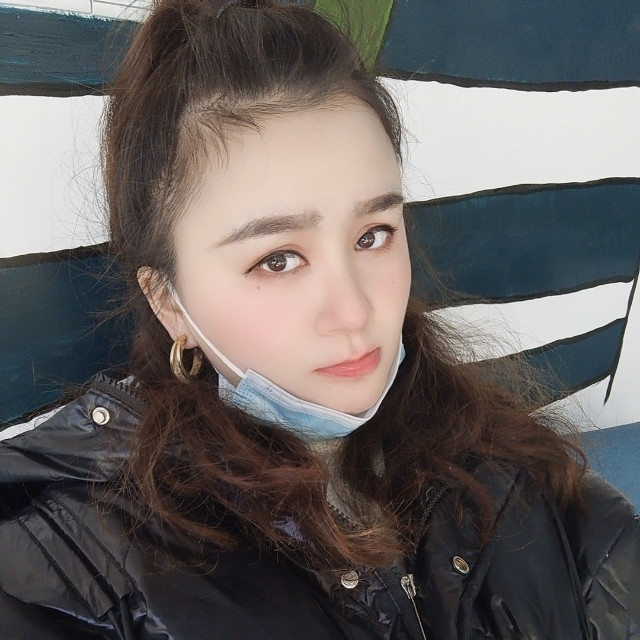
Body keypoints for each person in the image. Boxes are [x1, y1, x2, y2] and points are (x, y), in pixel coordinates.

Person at [0, 1, 638, 638]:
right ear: (168, 300)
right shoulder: (77, 570)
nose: (355, 311)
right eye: (277, 259)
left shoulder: (509, 468)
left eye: (372, 235)